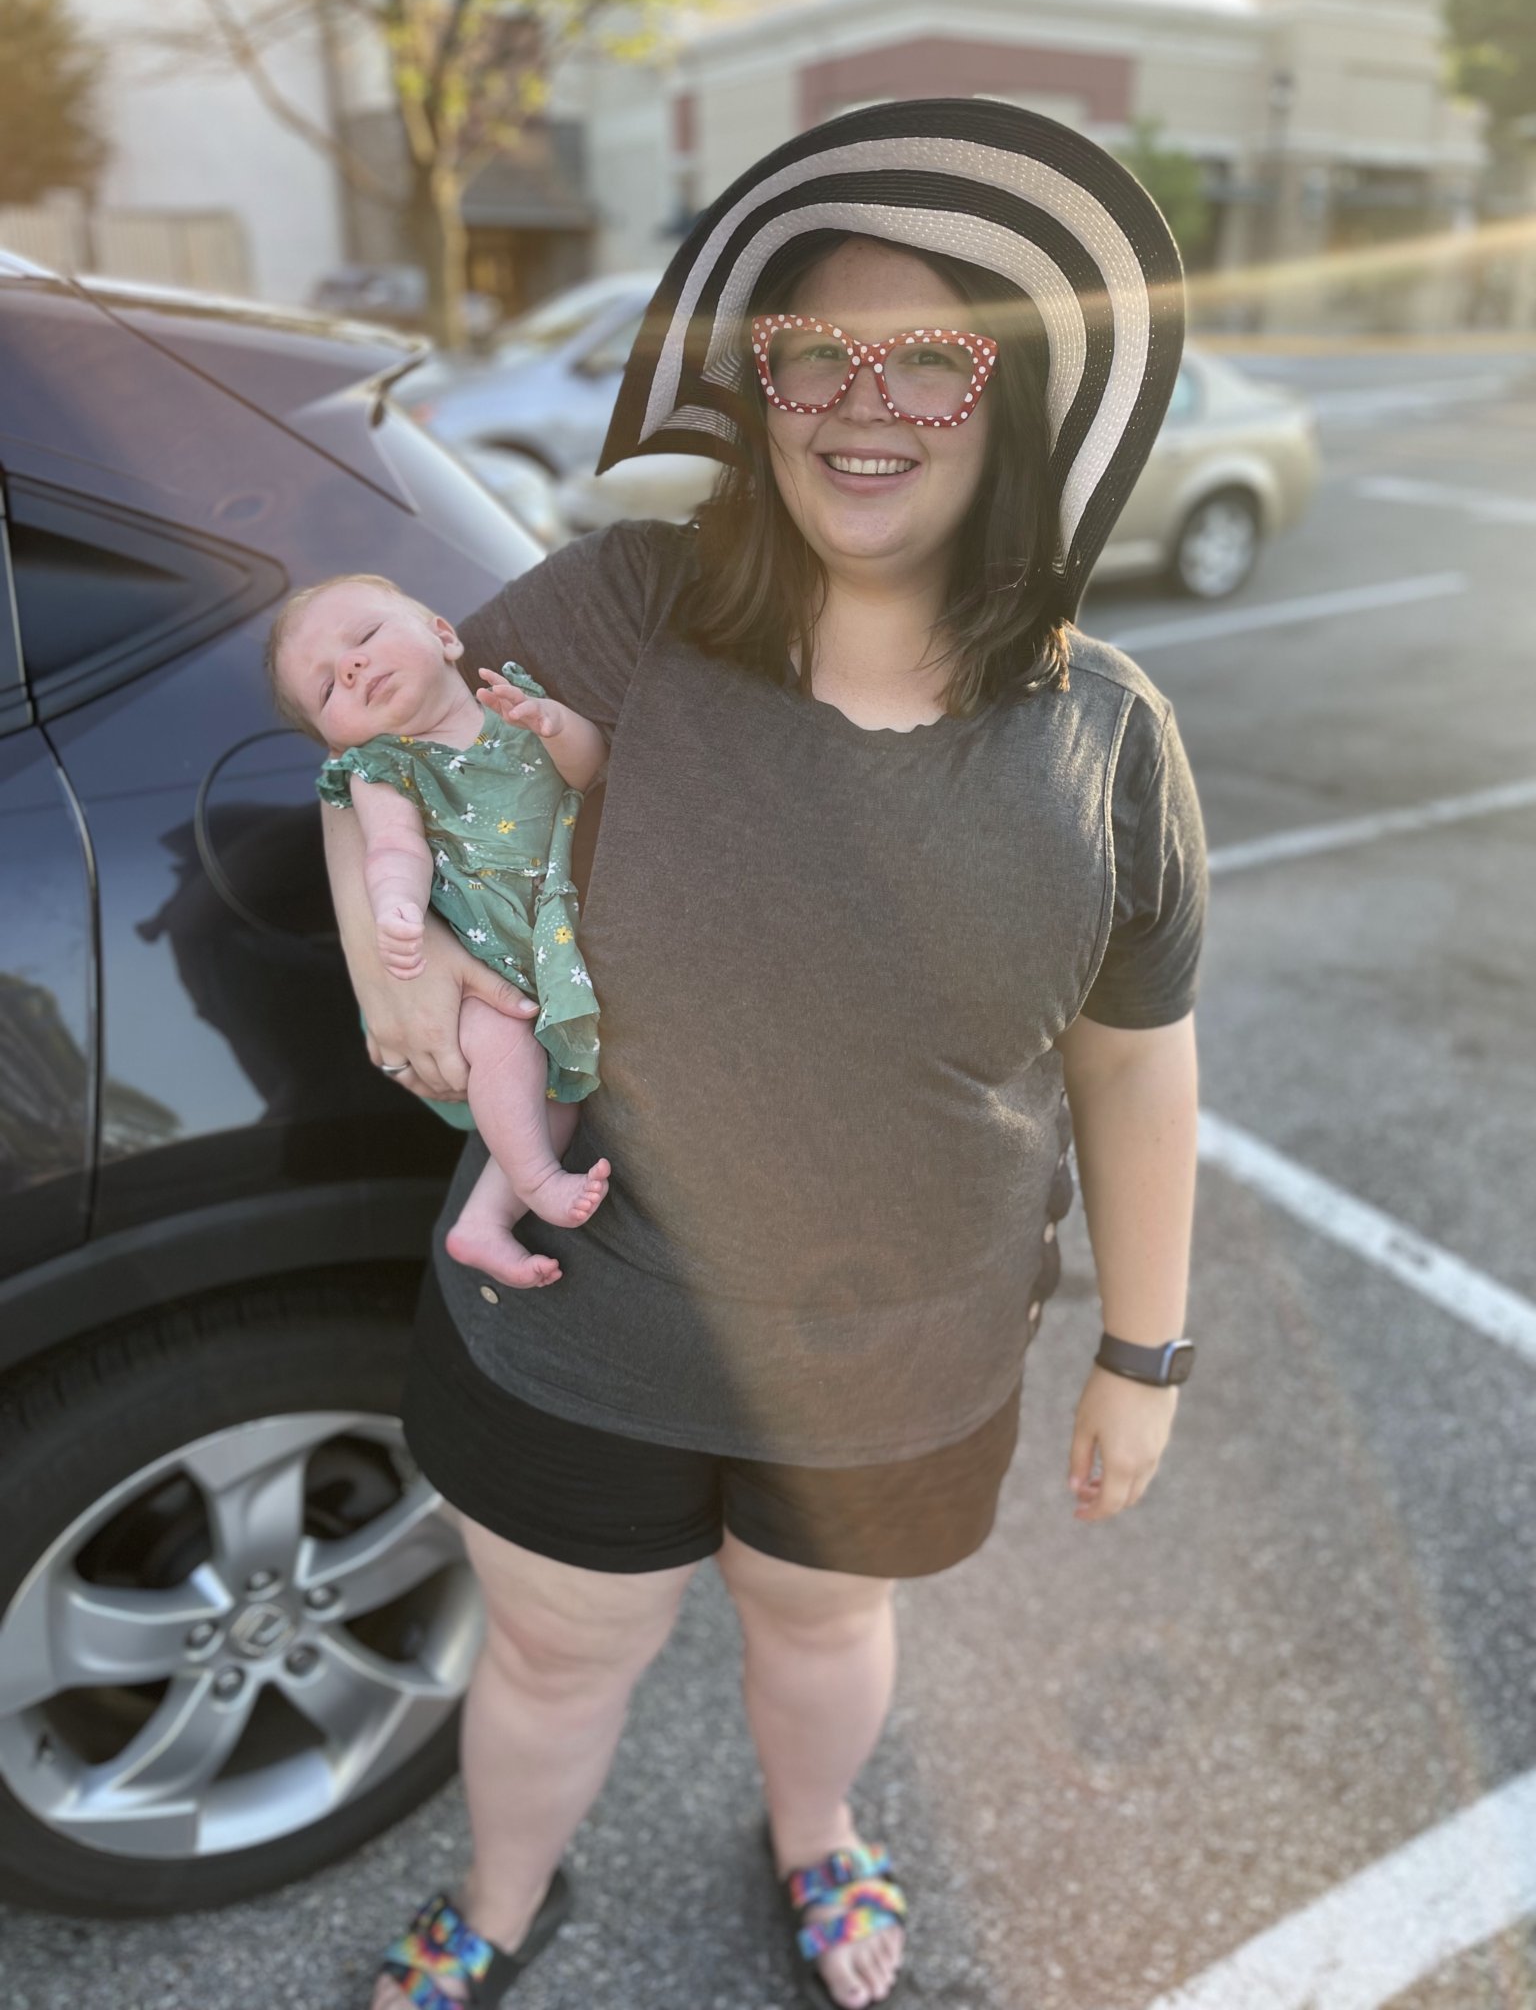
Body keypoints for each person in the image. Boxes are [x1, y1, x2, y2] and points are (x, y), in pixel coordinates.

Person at [324, 97, 1206, 2010]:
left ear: (1020, 397)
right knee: (558, 1653)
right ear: (762, 385)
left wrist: (1145, 1348)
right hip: (578, 1326)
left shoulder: (1111, 736)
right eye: (813, 349)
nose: (859, 395)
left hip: (906, 1361)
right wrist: (383, 951)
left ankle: (820, 1840)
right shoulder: (635, 609)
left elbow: (1138, 1064)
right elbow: (386, 737)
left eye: (930, 352)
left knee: (823, 1628)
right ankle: (498, 1899)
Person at [269, 575, 611, 1284]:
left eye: (362, 638)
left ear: (444, 635)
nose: (352, 668)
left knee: (562, 1088)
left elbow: (588, 770)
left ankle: (484, 1221)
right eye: (328, 688)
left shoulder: (513, 705)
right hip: (456, 963)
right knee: (509, 1048)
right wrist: (396, 908)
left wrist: (558, 726)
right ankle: (538, 1185)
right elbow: (395, 848)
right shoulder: (382, 768)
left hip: (533, 943)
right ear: (334, 744)